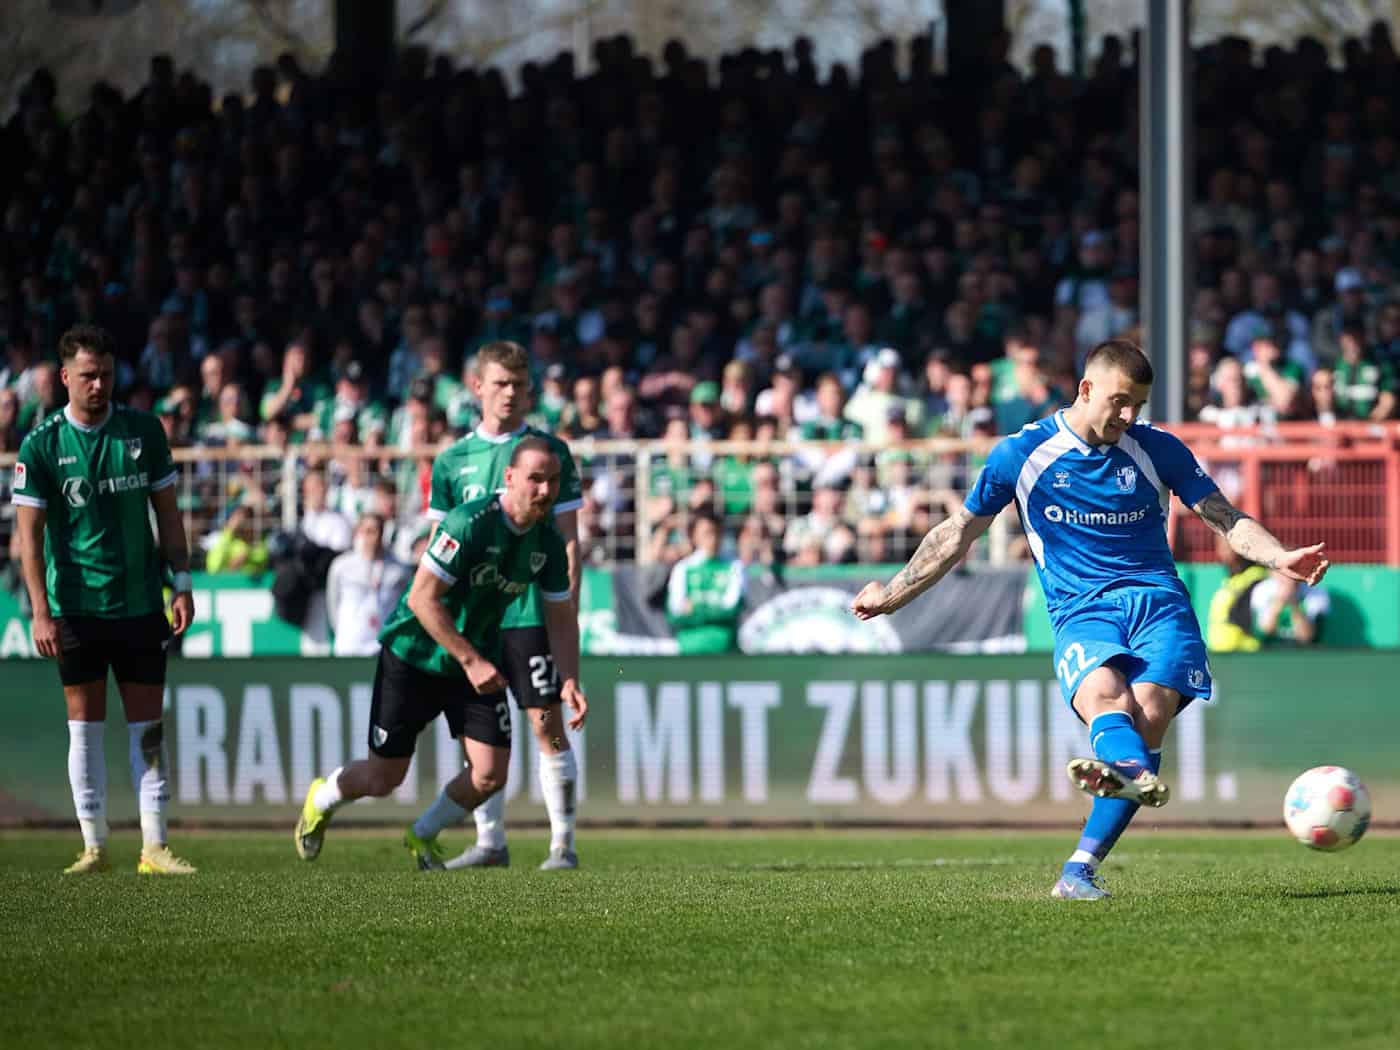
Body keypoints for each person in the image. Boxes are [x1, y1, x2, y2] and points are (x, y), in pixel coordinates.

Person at [851, 339, 1329, 900]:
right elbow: (956, 533)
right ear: (1085, 389)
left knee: (1148, 715)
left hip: (1159, 602)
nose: (1128, 417)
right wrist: (894, 594)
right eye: (1120, 402)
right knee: (1106, 697)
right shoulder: (1021, 454)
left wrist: (1279, 557)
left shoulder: (1158, 449)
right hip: (1082, 608)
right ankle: (1125, 775)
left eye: (1138, 406)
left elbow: (1223, 517)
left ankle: (1079, 867)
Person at [294, 438, 586, 867]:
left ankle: (422, 835)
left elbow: (560, 617)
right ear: (510, 479)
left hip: (473, 662)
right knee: (384, 777)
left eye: (553, 481)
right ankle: (322, 797)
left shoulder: (547, 544)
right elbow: (420, 599)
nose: (545, 490)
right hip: (415, 656)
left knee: (489, 774)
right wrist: (471, 659)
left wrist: (570, 679)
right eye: (535, 480)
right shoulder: (470, 523)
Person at [11, 324, 197, 875]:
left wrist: (181, 583)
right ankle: (93, 845)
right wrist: (41, 611)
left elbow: (167, 513)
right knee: (83, 726)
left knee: (148, 726)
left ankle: (154, 847)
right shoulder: (41, 443)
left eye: (107, 375)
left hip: (140, 601)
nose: (99, 385)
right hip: (76, 607)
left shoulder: (143, 430)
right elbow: (29, 537)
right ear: (65, 377)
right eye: (89, 375)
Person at [421, 340, 585, 870]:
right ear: (478, 388)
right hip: (477, 621)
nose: (510, 393)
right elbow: (438, 548)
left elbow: (568, 541)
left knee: (545, 721)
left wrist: (568, 608)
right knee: (480, 734)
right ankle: (490, 841)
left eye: (518, 385)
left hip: (530, 610)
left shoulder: (550, 452)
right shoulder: (452, 461)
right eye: (500, 383)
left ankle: (563, 844)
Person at [324, 513, 411, 656]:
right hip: (350, 643)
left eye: (378, 531)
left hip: (382, 645)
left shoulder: (398, 570)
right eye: (368, 531)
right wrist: (341, 629)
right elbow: (333, 603)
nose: (373, 537)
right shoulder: (342, 566)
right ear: (358, 532)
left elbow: (404, 605)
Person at [665, 511, 746, 654]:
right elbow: (674, 614)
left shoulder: (734, 567)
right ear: (694, 536)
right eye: (707, 533)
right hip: (689, 649)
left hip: (724, 649)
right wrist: (713, 609)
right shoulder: (683, 569)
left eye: (716, 532)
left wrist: (695, 608)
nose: (712, 538)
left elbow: (731, 609)